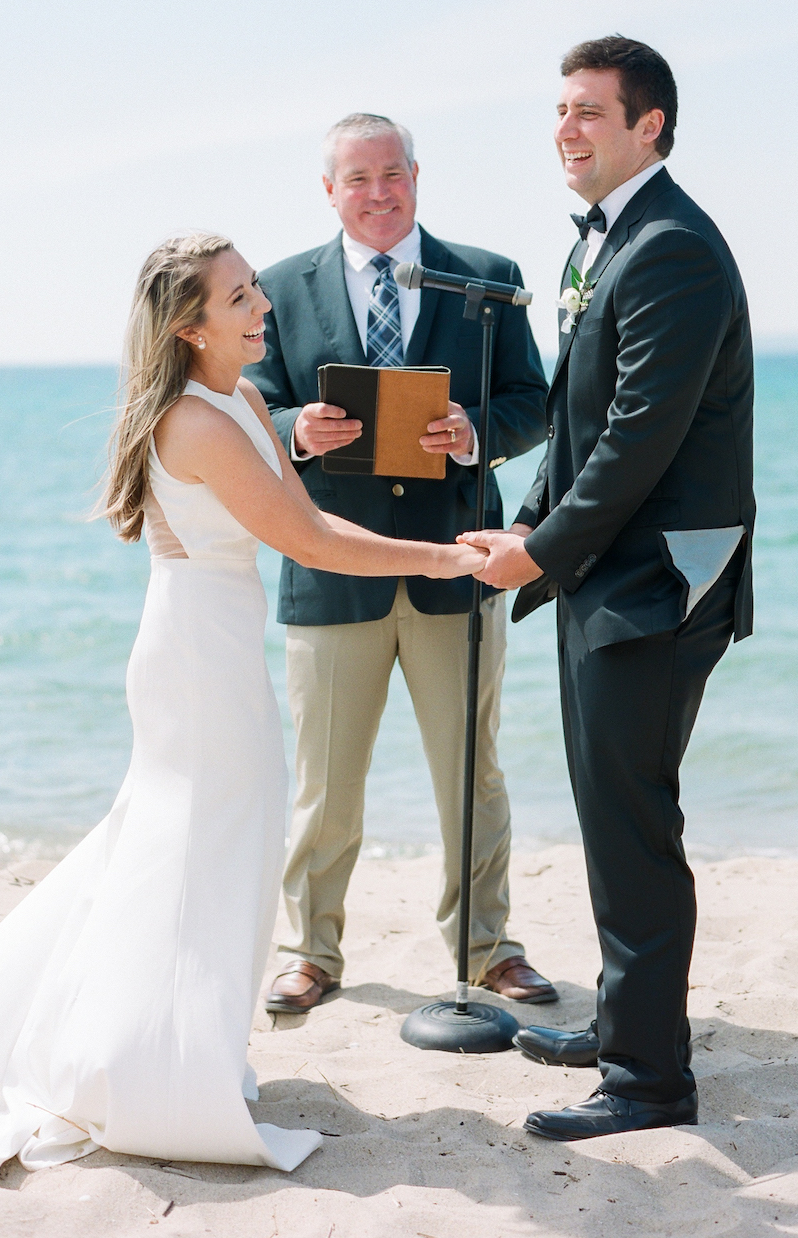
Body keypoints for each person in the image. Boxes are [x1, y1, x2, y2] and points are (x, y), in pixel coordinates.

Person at [0, 233, 486, 1186]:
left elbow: (310, 521)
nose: (262, 305)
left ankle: (176, 1049)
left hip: (221, 644)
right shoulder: (194, 423)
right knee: (197, 847)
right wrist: (439, 557)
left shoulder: (245, 399)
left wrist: (433, 550)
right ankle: (154, 1071)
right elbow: (308, 542)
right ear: (193, 328)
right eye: (239, 298)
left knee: (211, 843)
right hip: (193, 655)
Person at [462, 37, 755, 1140]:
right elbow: (580, 421)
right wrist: (532, 518)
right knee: (608, 810)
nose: (566, 130)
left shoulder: (671, 247)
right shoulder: (612, 240)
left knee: (633, 822)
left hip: (660, 582)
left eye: (590, 111)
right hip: (605, 569)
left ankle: (647, 1083)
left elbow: (639, 438)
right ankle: (625, 1026)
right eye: (560, 110)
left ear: (651, 127)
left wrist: (534, 556)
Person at [246, 113, 555, 1015]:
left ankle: (487, 946)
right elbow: (247, 408)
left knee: (474, 774)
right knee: (325, 783)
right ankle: (311, 952)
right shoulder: (275, 287)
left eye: (393, 174)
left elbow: (533, 403)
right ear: (329, 189)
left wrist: (476, 436)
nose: (378, 193)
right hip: (329, 570)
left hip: (456, 566)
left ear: (417, 176)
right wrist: (291, 430)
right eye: (358, 178)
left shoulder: (487, 280)